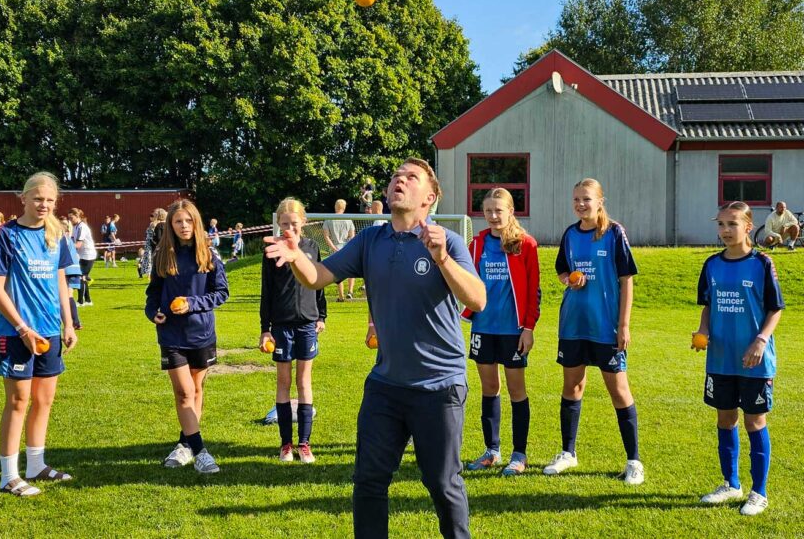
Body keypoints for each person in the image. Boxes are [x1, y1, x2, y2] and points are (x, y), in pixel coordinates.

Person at [265, 157, 486, 539]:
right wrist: (298, 256)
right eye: (395, 176)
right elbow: (319, 278)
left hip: (440, 386)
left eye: (410, 177)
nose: (399, 180)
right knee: (368, 481)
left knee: (442, 484)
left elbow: (478, 300)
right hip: (386, 386)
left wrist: (443, 260)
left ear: (429, 197)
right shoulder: (371, 240)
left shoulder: (445, 241)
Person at [546, 178, 643, 485]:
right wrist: (569, 280)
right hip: (573, 323)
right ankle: (568, 453)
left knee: (618, 390)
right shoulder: (570, 234)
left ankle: (634, 461)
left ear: (601, 201)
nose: (580, 204)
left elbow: (627, 279)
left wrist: (624, 325)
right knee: (572, 386)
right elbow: (562, 269)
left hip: (606, 327)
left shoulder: (614, 233)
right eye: (576, 199)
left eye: (586, 199)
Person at [0, 173, 78, 497]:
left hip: (51, 330)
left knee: (44, 399)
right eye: (38, 198)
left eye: (50, 200)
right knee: (18, 400)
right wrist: (22, 328)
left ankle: (36, 465)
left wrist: (68, 323)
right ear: (23, 198)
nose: (44, 205)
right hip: (16, 333)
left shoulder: (57, 234)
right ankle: (8, 476)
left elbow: (61, 281)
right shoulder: (6, 235)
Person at [695, 201, 783, 516]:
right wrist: (702, 330)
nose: (725, 231)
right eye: (720, 224)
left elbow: (775, 309)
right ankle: (731, 484)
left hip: (754, 361)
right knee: (725, 419)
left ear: (748, 226)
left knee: (754, 421)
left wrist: (761, 341)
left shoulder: (762, 263)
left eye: (732, 224)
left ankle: (759, 492)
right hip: (720, 359)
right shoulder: (711, 264)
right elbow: (707, 304)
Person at [145, 200, 229, 474]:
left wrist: (192, 303)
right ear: (170, 224)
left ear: (197, 223)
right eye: (178, 221)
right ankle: (201, 452)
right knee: (184, 392)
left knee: (197, 390)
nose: (184, 226)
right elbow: (153, 293)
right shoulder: (162, 255)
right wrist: (152, 311)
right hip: (171, 334)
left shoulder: (209, 255)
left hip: (201, 332)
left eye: (188, 221)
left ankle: (184, 445)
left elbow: (222, 293)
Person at [462, 188, 540, 477]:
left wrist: (528, 328)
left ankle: (519, 454)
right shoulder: (477, 243)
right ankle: (491, 451)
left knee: (516, 390)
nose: (493, 216)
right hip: (484, 327)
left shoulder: (525, 245)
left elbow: (534, 291)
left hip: (512, 330)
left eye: (499, 210)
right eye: (488, 211)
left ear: (511, 211)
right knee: (489, 388)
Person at [259, 198, 327, 463]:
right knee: (284, 382)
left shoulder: (312, 248)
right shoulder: (272, 250)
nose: (289, 228)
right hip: (281, 325)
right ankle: (286, 444)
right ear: (278, 224)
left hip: (307, 324)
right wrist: (266, 329)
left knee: (304, 381)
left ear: (304, 223)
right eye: (284, 224)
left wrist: (321, 315)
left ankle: (304, 444)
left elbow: (319, 283)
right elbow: (267, 292)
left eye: (294, 224)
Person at [322, 199, 356, 301]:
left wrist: (333, 247)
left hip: (335, 247)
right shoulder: (348, 220)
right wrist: (348, 246)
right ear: (344, 207)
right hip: (346, 247)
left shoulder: (329, 219)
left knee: (338, 272)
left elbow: (326, 236)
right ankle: (350, 291)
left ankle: (341, 296)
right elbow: (352, 236)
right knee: (352, 270)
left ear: (335, 206)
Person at [69, 208, 97, 306]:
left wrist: (66, 247)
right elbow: (72, 241)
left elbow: (78, 245)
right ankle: (88, 300)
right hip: (81, 255)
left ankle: (81, 301)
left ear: (77, 216)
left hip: (88, 255)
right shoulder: (75, 227)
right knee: (82, 277)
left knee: (81, 277)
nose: (70, 220)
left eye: (71, 218)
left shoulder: (82, 227)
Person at [140, 210, 166, 280]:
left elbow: (157, 237)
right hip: (152, 243)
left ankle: (151, 275)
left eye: (154, 215)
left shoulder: (156, 224)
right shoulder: (156, 224)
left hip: (154, 244)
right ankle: (150, 275)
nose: (153, 217)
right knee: (150, 260)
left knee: (152, 260)